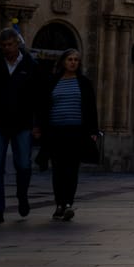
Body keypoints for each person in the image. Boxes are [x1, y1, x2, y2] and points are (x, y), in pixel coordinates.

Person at [0, 26, 38, 225]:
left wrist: (38, 124)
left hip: (23, 123)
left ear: (17, 44)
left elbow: (40, 97)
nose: (6, 48)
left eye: (10, 44)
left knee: (24, 164)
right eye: (3, 45)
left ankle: (22, 195)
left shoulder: (30, 66)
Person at [37, 47, 99, 222]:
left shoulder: (84, 83)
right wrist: (40, 127)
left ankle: (68, 204)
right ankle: (59, 203)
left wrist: (93, 131)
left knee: (71, 169)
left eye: (76, 60)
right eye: (70, 59)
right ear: (63, 62)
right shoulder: (53, 82)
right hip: (56, 132)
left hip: (76, 132)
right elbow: (44, 106)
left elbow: (91, 108)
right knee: (58, 169)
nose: (73, 62)